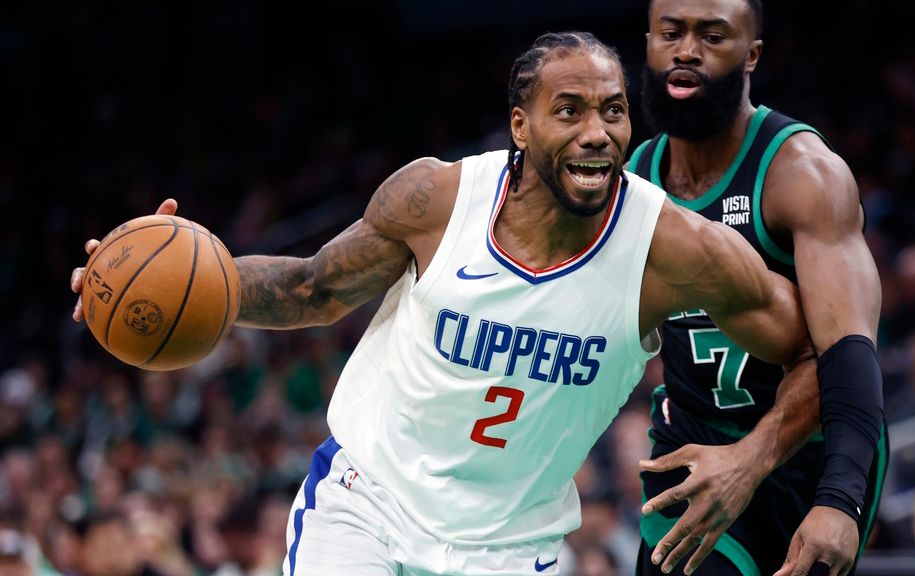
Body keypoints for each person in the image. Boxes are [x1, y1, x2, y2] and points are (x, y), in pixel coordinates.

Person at [72, 31, 814, 576]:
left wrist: (755, 455)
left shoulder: (671, 248)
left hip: (510, 549)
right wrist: (165, 281)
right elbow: (311, 288)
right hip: (368, 506)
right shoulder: (436, 199)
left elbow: (818, 349)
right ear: (521, 126)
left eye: (614, 111)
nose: (598, 132)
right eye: (571, 110)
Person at [627, 1, 887, 575]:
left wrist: (838, 497)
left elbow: (848, 356)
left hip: (807, 449)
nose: (687, 50)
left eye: (712, 35)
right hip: (692, 440)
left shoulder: (802, 173)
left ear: (752, 55)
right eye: (670, 33)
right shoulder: (632, 177)